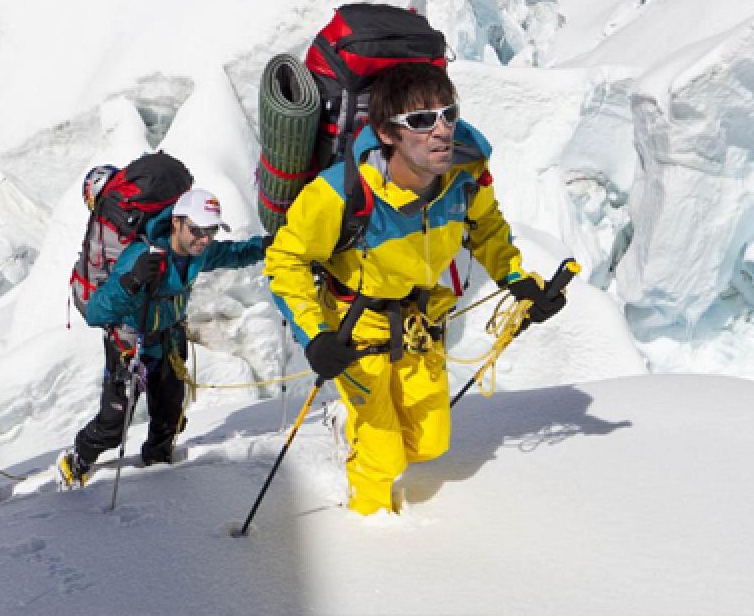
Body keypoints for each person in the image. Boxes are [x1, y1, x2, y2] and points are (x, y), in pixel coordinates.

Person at [264, 62, 566, 515]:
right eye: (421, 121)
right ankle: (370, 528)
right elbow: (284, 260)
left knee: (428, 444)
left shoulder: (463, 179)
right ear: (387, 134)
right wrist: (317, 337)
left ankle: (355, 429)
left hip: (419, 324)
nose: (441, 130)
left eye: (448, 114)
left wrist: (521, 283)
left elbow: (487, 230)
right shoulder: (340, 194)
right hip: (354, 329)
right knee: (382, 455)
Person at [57, 188, 267, 486]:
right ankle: (78, 457)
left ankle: (159, 472)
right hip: (130, 347)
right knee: (114, 426)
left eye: (210, 231)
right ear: (177, 222)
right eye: (197, 230)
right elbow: (97, 312)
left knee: (169, 415)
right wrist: (130, 282)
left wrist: (268, 245)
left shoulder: (198, 252)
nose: (204, 239)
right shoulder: (141, 257)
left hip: (168, 341)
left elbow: (234, 253)